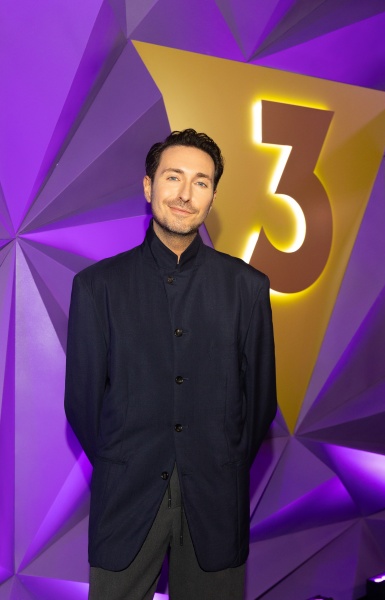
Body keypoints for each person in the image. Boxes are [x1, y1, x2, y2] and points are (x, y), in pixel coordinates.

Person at [64, 128, 277, 600]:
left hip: (216, 504)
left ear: (213, 196)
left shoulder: (247, 288)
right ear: (148, 186)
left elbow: (261, 403)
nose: (185, 194)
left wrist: (219, 463)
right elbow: (81, 404)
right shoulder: (98, 287)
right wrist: (124, 463)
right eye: (173, 177)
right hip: (125, 501)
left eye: (201, 182)